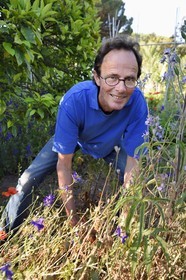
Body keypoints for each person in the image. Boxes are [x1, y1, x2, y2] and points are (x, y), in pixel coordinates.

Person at [0, 35, 148, 233]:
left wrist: (124, 225)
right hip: (76, 138)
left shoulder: (137, 102)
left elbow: (133, 165)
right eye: (112, 77)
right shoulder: (74, 100)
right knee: (27, 179)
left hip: (112, 143)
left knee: (138, 183)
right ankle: (6, 232)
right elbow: (64, 163)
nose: (121, 88)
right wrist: (74, 223)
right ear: (96, 76)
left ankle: (125, 229)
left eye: (130, 79)